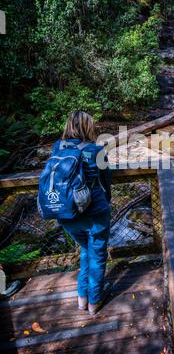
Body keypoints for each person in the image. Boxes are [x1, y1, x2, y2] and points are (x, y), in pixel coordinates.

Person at [53, 111, 111, 315]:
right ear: (88, 127)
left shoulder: (57, 147)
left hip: (66, 214)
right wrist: (106, 204)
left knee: (86, 250)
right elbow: (106, 183)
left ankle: (81, 299)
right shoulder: (97, 150)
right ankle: (94, 302)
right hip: (94, 214)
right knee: (97, 256)